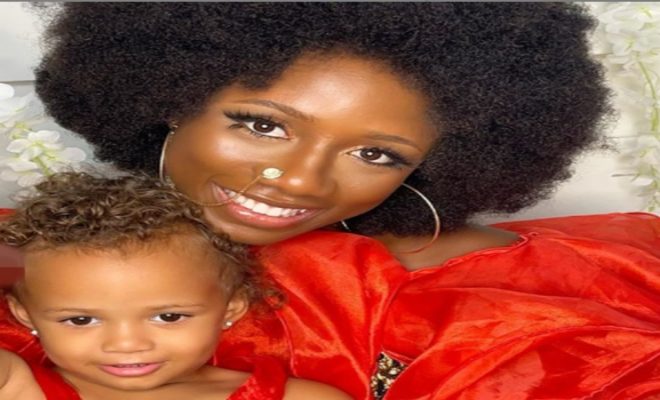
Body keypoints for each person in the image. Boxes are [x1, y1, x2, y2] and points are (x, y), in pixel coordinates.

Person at [1, 2, 658, 399]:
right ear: (172, 95)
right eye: (263, 124)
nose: (300, 182)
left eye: (376, 154)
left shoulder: (461, 294)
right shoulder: (36, 253)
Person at [0, 172, 349, 400]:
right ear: (25, 314)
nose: (127, 344)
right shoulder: (17, 387)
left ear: (231, 307)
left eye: (168, 316)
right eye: (80, 320)